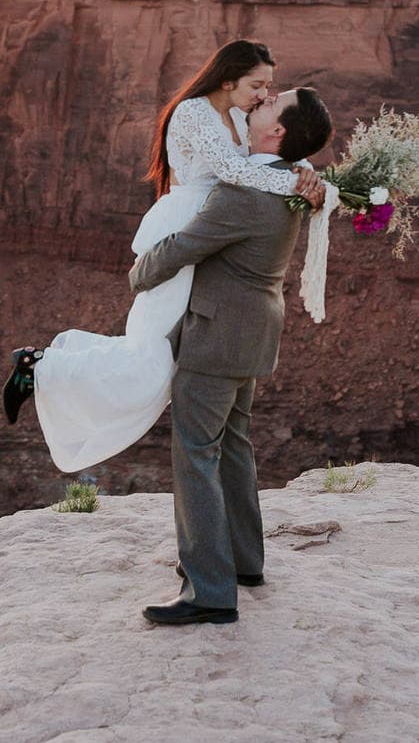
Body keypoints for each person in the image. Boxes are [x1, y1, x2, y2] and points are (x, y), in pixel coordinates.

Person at [1, 40, 324, 473]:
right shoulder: (194, 112)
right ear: (228, 80)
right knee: (150, 357)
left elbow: (266, 157)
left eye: (270, 87)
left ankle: (44, 366)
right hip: (182, 231)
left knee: (160, 357)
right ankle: (40, 366)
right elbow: (235, 172)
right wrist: (302, 184)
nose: (265, 94)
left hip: (211, 237)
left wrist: (308, 172)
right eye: (257, 84)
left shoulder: (233, 115)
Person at [130, 87, 334, 625]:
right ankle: (243, 562)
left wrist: (138, 272)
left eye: (269, 105)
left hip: (217, 337)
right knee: (235, 446)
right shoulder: (292, 181)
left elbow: (184, 248)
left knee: (196, 454)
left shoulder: (246, 191)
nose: (257, 103)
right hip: (255, 331)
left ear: (278, 133)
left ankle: (209, 591)